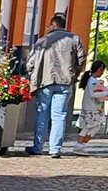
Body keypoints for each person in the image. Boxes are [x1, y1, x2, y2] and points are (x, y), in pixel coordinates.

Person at [26, 14, 86, 158]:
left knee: (42, 114)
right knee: (59, 116)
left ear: (53, 25)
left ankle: (37, 147)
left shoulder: (42, 41)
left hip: (45, 81)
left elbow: (30, 63)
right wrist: (74, 76)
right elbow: (81, 59)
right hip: (65, 82)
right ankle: (55, 149)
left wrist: (32, 75)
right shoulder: (74, 39)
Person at [72, 60, 108, 154]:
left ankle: (82, 144)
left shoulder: (93, 80)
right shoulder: (92, 81)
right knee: (88, 127)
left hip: (94, 109)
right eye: (102, 71)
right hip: (91, 109)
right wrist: (106, 93)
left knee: (94, 127)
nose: (102, 73)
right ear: (99, 69)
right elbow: (93, 94)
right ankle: (79, 145)